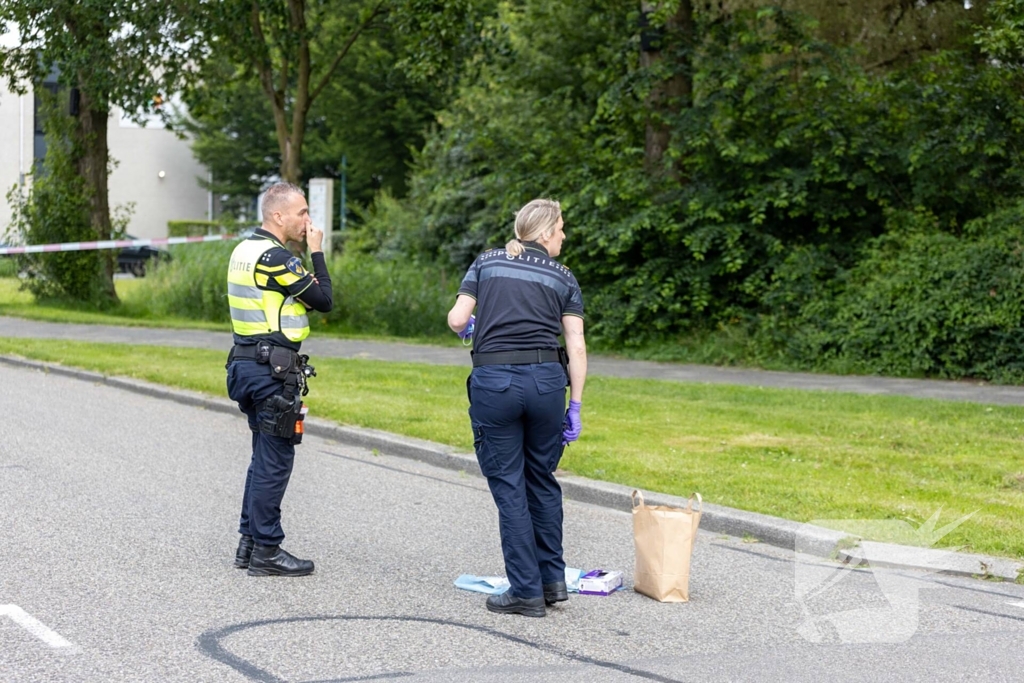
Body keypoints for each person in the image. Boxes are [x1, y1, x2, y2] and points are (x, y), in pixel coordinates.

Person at [447, 198, 587, 617]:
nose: (563, 234)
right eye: (560, 228)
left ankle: (525, 591)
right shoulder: (564, 277)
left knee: (509, 483)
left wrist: (473, 326)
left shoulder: (486, 263)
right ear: (544, 233)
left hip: (496, 384)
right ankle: (552, 582)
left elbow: (456, 320)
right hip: (547, 384)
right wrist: (575, 404)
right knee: (541, 481)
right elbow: (576, 346)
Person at [225, 182, 333, 577]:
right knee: (275, 460)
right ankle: (267, 550)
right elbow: (323, 301)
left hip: (245, 364)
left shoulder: (243, 250)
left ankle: (248, 543)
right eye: (301, 213)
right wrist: (317, 252)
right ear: (277, 216)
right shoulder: (275, 258)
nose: (307, 220)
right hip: (271, 372)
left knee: (262, 456)